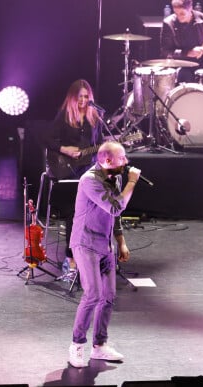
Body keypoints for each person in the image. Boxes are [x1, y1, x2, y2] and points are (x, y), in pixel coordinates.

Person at [67, 141, 141, 368]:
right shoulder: (90, 180)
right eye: (122, 159)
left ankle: (99, 346)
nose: (126, 162)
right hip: (85, 243)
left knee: (108, 296)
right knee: (93, 294)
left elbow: (114, 216)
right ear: (107, 161)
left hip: (104, 243)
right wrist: (132, 182)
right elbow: (116, 207)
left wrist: (121, 241)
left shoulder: (115, 177)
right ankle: (77, 345)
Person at [44, 79, 104, 282]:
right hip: (67, 171)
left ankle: (92, 257)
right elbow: (48, 139)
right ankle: (71, 261)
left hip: (88, 169)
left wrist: (109, 148)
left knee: (94, 213)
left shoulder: (95, 116)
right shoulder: (64, 115)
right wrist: (64, 149)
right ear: (73, 97)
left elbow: (99, 144)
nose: (84, 100)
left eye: (87, 97)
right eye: (80, 97)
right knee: (74, 214)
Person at [160, 0, 203, 83]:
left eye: (182, 13)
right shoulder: (168, 23)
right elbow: (165, 51)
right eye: (176, 13)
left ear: (190, 8)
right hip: (182, 66)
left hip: (202, 64)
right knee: (185, 75)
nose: (179, 17)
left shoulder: (202, 18)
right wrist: (188, 53)